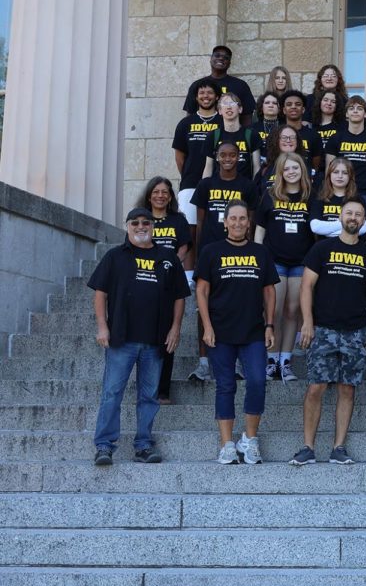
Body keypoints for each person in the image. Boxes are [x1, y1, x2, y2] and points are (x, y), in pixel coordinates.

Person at [89, 207, 189, 465]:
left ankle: (143, 445)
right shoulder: (114, 256)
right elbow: (100, 292)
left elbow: (180, 296)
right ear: (127, 226)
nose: (141, 226)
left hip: (155, 341)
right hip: (121, 338)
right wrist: (102, 326)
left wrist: (175, 328)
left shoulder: (168, 257)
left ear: (153, 226)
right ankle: (104, 446)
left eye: (146, 222)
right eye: (135, 222)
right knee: (112, 393)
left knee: (149, 396)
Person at [290, 196, 366, 466]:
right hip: (323, 329)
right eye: (349, 213)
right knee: (316, 387)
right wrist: (307, 322)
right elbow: (306, 286)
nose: (353, 217)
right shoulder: (322, 249)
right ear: (340, 218)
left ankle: (338, 447)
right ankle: (308, 447)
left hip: (355, 331)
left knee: (347, 389)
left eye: (358, 214)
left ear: (364, 221)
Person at [195, 200, 277, 465]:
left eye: (243, 218)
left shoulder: (260, 252)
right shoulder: (211, 251)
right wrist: (206, 327)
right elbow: (202, 291)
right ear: (225, 222)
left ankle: (249, 440)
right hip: (219, 332)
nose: (239, 223)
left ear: (249, 222)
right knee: (226, 386)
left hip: (253, 331)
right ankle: (227, 444)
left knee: (257, 381)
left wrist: (269, 324)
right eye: (234, 219)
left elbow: (269, 291)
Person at [189, 141, 256, 383]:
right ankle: (204, 362)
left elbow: (250, 220)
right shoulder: (206, 184)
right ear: (216, 157)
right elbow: (199, 222)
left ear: (239, 157)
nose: (228, 158)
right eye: (223, 155)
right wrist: (197, 256)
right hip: (210, 253)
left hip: (239, 252)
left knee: (237, 304)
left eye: (232, 155)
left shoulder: (247, 185)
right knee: (203, 307)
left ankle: (236, 361)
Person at [255, 153, 314, 382]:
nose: (292, 172)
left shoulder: (310, 197)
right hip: (274, 262)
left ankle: (285, 362)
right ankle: (270, 360)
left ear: (302, 170)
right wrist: (259, 259)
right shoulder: (270, 196)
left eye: (296, 168)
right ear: (280, 172)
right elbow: (259, 230)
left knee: (292, 312)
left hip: (300, 262)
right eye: (287, 169)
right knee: (274, 310)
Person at [139, 177, 191, 404]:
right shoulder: (141, 220)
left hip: (169, 282)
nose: (160, 196)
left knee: (168, 337)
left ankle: (163, 390)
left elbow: (183, 247)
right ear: (149, 195)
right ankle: (144, 387)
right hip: (144, 281)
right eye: (156, 192)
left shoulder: (178, 220)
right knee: (143, 336)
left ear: (170, 197)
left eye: (165, 192)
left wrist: (171, 263)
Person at [173, 77, 221, 241]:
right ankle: (190, 268)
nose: (205, 96)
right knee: (189, 230)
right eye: (202, 93)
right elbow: (180, 157)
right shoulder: (185, 123)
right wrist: (189, 173)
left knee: (217, 227)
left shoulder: (223, 122)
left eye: (209, 92)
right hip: (190, 183)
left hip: (219, 183)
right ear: (196, 97)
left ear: (216, 97)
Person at [324, 96, 366, 224]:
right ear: (346, 114)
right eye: (351, 108)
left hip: (364, 193)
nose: (355, 111)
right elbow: (329, 169)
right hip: (340, 193)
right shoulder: (335, 138)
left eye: (359, 108)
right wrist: (330, 194)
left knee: (363, 234)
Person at [183, 45, 253, 125]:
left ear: (229, 63)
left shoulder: (241, 85)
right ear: (211, 59)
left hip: (231, 134)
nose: (221, 58)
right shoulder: (198, 85)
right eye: (217, 55)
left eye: (226, 57)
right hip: (202, 133)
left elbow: (247, 117)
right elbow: (190, 115)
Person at [203, 93, 259, 181]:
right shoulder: (213, 136)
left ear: (240, 109)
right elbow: (208, 167)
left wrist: (254, 190)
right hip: (218, 189)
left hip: (244, 188)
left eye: (233, 104)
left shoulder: (251, 135)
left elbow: (256, 167)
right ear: (220, 111)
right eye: (225, 104)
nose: (229, 107)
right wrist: (204, 191)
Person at [310, 157, 363, 239]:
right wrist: (347, 224)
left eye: (345, 173)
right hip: (324, 247)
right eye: (336, 172)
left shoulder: (357, 199)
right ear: (329, 175)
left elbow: (363, 228)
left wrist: (326, 229)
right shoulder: (320, 198)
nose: (340, 176)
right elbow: (315, 227)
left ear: (350, 176)